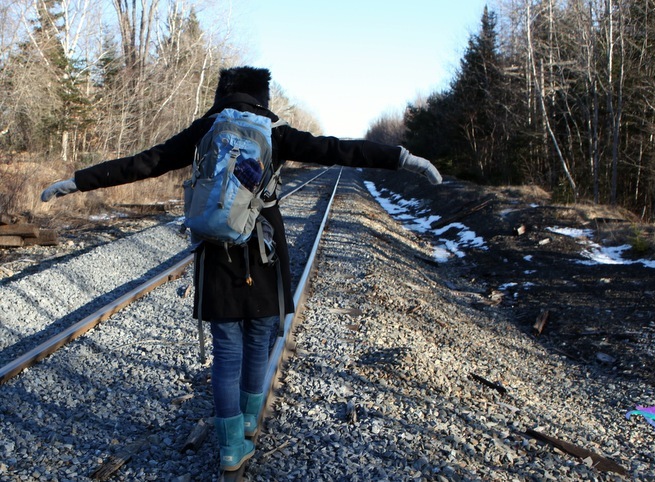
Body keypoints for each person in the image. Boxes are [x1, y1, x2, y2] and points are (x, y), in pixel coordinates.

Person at [41, 66, 442, 472]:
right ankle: (249, 421)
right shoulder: (274, 131)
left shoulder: (207, 128)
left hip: (218, 252)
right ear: (261, 96)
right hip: (265, 251)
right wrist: (403, 158)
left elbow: (145, 163)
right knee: (259, 336)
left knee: (226, 350)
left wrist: (76, 182)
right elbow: (339, 149)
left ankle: (231, 446)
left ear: (222, 94)